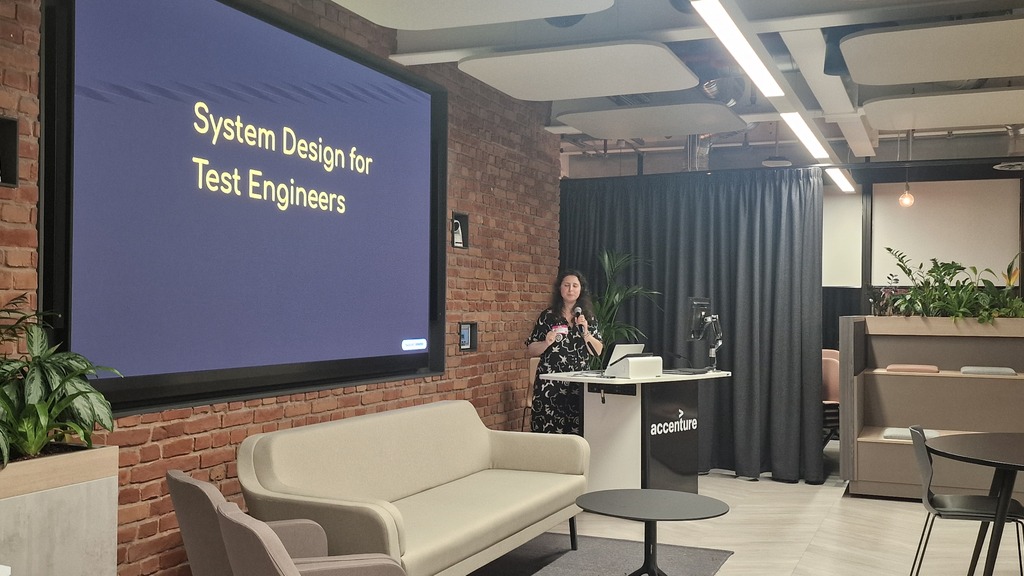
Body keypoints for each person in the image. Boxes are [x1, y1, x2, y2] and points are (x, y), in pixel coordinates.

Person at [525, 270, 603, 434]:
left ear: (581, 289)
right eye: (566, 285)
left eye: (575, 286)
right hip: (550, 384)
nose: (570, 289)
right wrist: (546, 342)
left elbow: (597, 351)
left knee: (576, 431)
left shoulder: (587, 317)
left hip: (577, 385)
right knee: (547, 430)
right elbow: (531, 349)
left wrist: (586, 332)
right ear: (559, 289)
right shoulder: (548, 316)